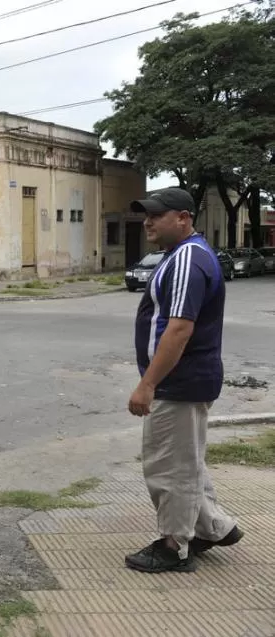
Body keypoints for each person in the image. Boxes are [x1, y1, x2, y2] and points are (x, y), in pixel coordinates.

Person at [125, 187, 243, 573]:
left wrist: (148, 384)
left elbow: (178, 330)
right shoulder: (182, 255)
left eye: (157, 215)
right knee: (186, 460)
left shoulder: (188, 260)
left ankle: (174, 545)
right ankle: (213, 527)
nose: (148, 222)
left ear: (183, 217)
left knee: (169, 465)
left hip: (179, 382)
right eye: (147, 215)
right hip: (189, 379)